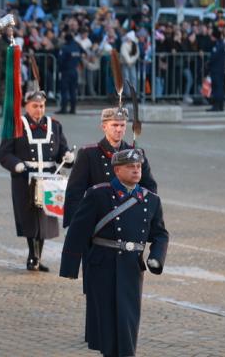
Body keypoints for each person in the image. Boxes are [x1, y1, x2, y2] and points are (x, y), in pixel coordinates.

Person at [60, 149, 169, 357]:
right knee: (107, 322)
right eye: (130, 167)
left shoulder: (150, 200)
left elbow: (160, 234)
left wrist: (156, 257)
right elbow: (78, 231)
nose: (136, 171)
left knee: (128, 319)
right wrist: (70, 267)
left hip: (131, 267)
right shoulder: (98, 194)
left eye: (138, 167)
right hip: (102, 265)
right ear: (117, 170)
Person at [0, 89, 73, 271]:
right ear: (26, 106)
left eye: (41, 106)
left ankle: (37, 257)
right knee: (30, 219)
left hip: (49, 179)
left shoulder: (54, 125)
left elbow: (62, 149)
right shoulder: (15, 125)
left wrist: (68, 156)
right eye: (34, 106)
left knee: (45, 218)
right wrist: (17, 165)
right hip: (25, 178)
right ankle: (33, 255)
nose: (39, 110)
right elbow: (4, 153)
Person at [63, 107, 157, 229]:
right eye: (114, 125)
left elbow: (149, 187)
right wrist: (72, 225)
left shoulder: (136, 153)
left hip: (128, 217)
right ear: (104, 127)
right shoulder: (88, 154)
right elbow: (75, 192)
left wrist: (146, 214)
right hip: (98, 220)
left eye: (122, 125)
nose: (119, 129)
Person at [58, 31, 82, 114]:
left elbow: (60, 60)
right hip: (74, 71)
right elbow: (79, 58)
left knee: (64, 90)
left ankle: (64, 109)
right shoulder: (76, 47)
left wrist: (60, 69)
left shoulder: (65, 48)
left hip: (66, 71)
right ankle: (73, 109)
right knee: (73, 91)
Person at [207, 28, 225, 112]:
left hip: (216, 69)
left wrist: (208, 62)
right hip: (219, 69)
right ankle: (220, 105)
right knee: (219, 87)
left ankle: (216, 105)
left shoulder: (218, 45)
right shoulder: (221, 44)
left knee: (216, 88)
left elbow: (213, 57)